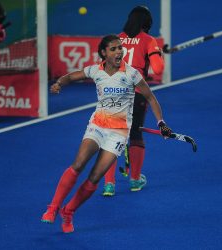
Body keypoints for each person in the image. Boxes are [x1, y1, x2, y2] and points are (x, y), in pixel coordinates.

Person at [41, 34, 172, 233]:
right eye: (114, 49)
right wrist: (59, 83)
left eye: (120, 48)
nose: (119, 51)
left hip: (118, 133)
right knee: (78, 164)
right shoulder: (95, 70)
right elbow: (71, 76)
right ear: (104, 53)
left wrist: (161, 123)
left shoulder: (131, 74)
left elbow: (151, 98)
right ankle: (52, 208)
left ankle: (69, 211)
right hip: (98, 125)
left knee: (94, 177)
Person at [102, 6, 165, 196]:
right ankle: (135, 180)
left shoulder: (115, 39)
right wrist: (157, 54)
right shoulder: (148, 40)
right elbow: (158, 69)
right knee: (135, 135)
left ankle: (109, 185)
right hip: (136, 93)